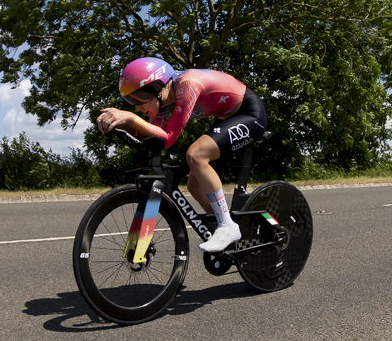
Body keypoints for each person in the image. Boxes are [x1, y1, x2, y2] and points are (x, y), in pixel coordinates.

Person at [96, 57, 268, 253]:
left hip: (249, 114)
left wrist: (131, 118)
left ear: (157, 89)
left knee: (195, 154)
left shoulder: (188, 85)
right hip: (224, 118)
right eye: (130, 100)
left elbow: (168, 138)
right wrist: (121, 125)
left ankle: (227, 226)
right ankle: (229, 226)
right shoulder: (162, 99)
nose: (135, 107)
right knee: (194, 184)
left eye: (138, 98)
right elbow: (155, 136)